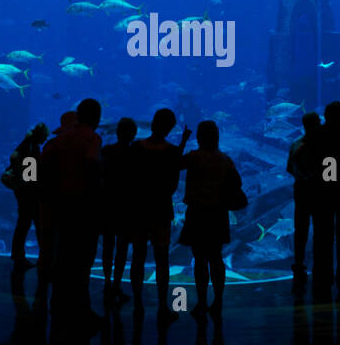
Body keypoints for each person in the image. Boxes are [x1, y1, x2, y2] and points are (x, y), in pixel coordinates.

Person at [40, 98, 104, 328]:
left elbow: (41, 166)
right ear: (96, 117)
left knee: (61, 254)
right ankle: (81, 309)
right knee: (83, 258)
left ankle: (56, 305)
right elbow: (91, 164)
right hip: (83, 203)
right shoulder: (93, 138)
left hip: (58, 202)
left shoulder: (58, 139)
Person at [297, 100, 340, 301]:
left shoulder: (316, 132)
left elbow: (298, 154)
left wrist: (309, 175)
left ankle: (321, 278)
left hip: (321, 189)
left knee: (321, 235)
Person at [130, 108, 190, 321]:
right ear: (170, 128)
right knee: (162, 258)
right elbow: (173, 182)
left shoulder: (136, 148)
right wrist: (182, 144)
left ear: (153, 123)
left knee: (138, 256)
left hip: (139, 208)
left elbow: (131, 178)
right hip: (161, 209)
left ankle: (137, 302)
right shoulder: (172, 152)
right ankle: (163, 306)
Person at [178, 120, 241, 317]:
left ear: (199, 137)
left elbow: (175, 164)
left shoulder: (194, 157)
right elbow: (237, 182)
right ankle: (218, 300)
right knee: (216, 258)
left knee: (199, 259)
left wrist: (182, 142)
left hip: (197, 213)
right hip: (218, 213)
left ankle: (202, 302)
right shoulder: (225, 159)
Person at [35, 111, 77, 309]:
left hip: (47, 201)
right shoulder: (78, 148)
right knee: (66, 244)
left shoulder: (48, 146)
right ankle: (61, 286)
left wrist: (32, 191)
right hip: (67, 202)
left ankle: (42, 286)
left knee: (48, 243)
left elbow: (35, 175)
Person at [100, 117, 139, 305]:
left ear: (117, 133)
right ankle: (116, 283)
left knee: (108, 245)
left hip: (108, 204)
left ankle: (108, 282)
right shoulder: (136, 154)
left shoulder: (106, 151)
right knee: (122, 247)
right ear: (134, 134)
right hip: (127, 206)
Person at [286, 111, 320, 294]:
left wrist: (303, 178)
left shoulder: (295, 143)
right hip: (318, 191)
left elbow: (289, 168)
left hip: (301, 190)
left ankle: (299, 264)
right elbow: (330, 166)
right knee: (319, 228)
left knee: (301, 229)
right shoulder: (323, 145)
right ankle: (317, 264)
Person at [8, 122, 49, 268]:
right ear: (40, 135)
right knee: (29, 224)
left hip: (23, 192)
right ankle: (26, 256)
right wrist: (33, 186)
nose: (45, 140)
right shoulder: (31, 148)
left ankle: (18, 255)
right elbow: (29, 175)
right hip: (29, 194)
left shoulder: (28, 144)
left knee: (23, 224)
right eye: (44, 137)